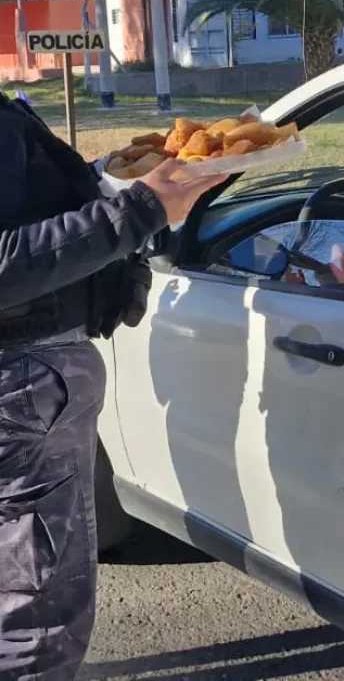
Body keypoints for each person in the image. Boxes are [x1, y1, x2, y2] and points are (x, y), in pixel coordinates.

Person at [0, 91, 227, 680]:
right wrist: (144, 208)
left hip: (28, 378)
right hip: (20, 381)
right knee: (37, 615)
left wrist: (108, 179)